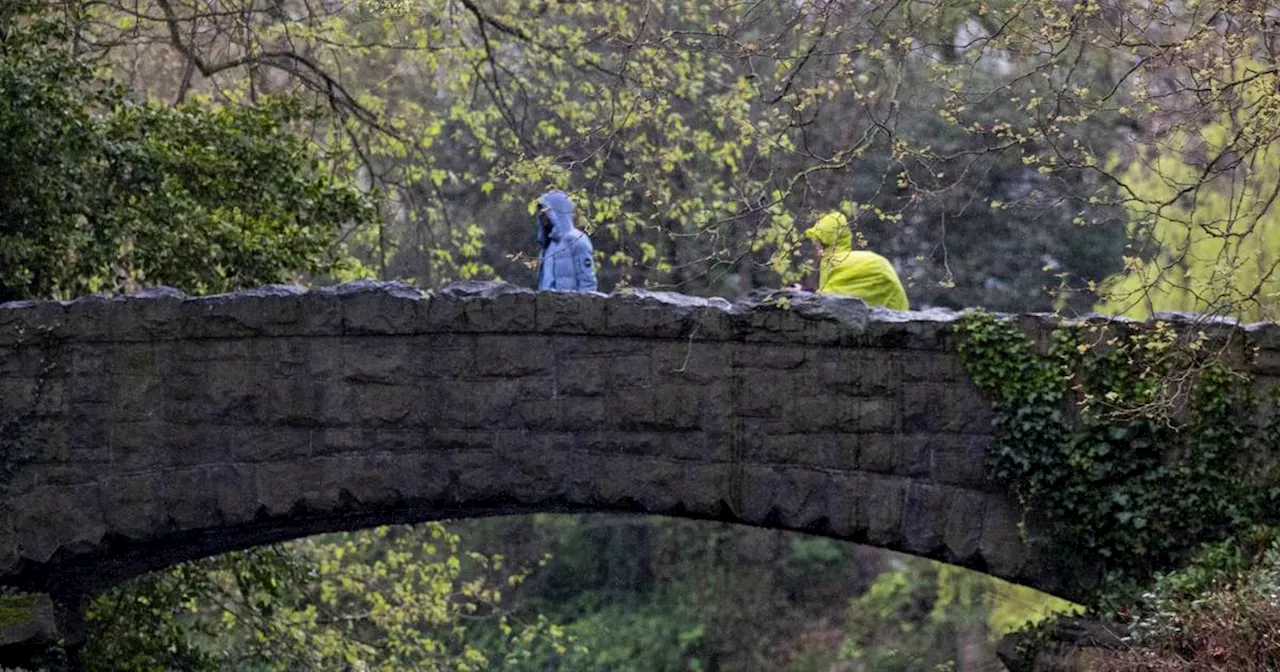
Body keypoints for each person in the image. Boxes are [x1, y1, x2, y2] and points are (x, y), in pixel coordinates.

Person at [802, 211, 909, 310]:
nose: (814, 249)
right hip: (899, 310)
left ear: (822, 243)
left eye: (815, 243)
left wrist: (802, 294)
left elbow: (829, 299)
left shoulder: (833, 263)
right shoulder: (854, 260)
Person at [534, 190, 598, 292]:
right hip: (547, 306)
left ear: (558, 211)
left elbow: (587, 283)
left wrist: (584, 307)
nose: (541, 216)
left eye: (544, 211)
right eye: (539, 212)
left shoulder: (577, 240)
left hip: (571, 306)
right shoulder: (547, 246)